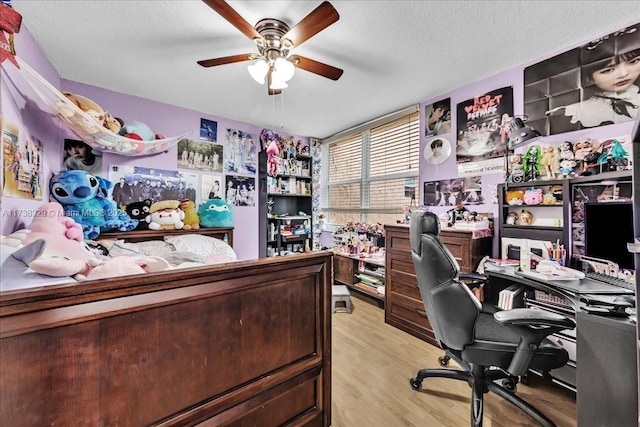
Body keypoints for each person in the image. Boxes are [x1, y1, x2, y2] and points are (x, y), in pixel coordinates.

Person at [546, 30, 640, 128]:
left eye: (633, 62)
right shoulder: (574, 112)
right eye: (608, 70)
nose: (624, 74)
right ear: (588, 77)